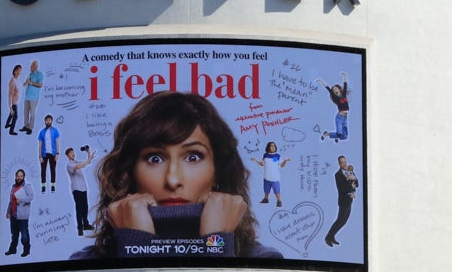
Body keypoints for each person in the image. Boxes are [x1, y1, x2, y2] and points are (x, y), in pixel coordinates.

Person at [72, 92, 281, 262]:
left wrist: (216, 243)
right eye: (155, 159)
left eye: (192, 157)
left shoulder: (262, 261)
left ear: (218, 170)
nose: (173, 180)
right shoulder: (84, 265)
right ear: (129, 171)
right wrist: (136, 244)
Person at [325, 154, 358, 247]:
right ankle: (328, 237)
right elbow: (341, 188)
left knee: (344, 221)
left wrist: (353, 181)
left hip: (350, 200)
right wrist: (350, 182)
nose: (344, 164)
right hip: (343, 200)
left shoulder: (350, 172)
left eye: (345, 162)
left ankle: (332, 236)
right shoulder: (338, 175)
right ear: (339, 163)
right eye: (342, 162)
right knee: (340, 220)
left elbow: (357, 183)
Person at [66, 147, 93, 234]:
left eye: (73, 152)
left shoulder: (77, 161)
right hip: (76, 189)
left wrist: (88, 151)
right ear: (67, 156)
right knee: (79, 208)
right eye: (70, 153)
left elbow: (88, 162)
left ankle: (86, 224)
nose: (73, 154)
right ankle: (80, 228)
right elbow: (78, 167)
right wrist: (86, 161)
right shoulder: (69, 165)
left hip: (83, 188)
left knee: (85, 207)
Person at [4, 169, 32, 257]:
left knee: (24, 236)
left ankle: (26, 250)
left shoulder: (27, 186)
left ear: (23, 177)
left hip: (22, 216)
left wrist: (21, 200)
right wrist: (8, 211)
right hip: (13, 215)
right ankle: (12, 250)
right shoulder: (13, 187)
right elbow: (11, 201)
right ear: (15, 177)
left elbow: (31, 197)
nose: (19, 178)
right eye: (17, 176)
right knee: (14, 235)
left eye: (21, 176)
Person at [256, 140, 290, 207]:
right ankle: (266, 199)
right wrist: (256, 160)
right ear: (268, 147)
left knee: (277, 190)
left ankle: (279, 201)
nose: (273, 147)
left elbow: (282, 165)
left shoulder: (278, 156)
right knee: (266, 189)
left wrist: (285, 161)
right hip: (266, 177)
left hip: (275, 178)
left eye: (274, 146)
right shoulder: (265, 155)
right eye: (271, 146)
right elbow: (262, 164)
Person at [318, 74, 350, 142]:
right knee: (340, 133)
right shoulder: (336, 98)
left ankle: (328, 134)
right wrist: (321, 81)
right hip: (339, 117)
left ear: (338, 89)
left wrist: (345, 76)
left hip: (345, 118)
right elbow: (327, 88)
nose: (335, 89)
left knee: (345, 137)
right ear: (334, 92)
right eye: (333, 89)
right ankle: (330, 135)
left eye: (336, 88)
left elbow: (345, 84)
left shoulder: (343, 94)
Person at [38, 115, 61, 191]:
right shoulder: (42, 132)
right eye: (47, 120)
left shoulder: (55, 130)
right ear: (45, 121)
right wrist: (40, 156)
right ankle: (43, 186)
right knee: (43, 170)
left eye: (49, 120)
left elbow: (57, 142)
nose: (48, 121)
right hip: (44, 154)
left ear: (51, 121)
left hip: (53, 154)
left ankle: (53, 186)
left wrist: (57, 153)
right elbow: (40, 145)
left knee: (53, 170)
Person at [20, 59, 43, 132]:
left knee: (32, 113)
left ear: (35, 66)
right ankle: (26, 126)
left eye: (31, 65)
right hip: (27, 97)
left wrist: (31, 83)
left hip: (34, 97)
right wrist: (26, 83)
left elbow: (40, 85)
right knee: (25, 112)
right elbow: (26, 83)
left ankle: (30, 128)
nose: (30, 67)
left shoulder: (40, 74)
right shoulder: (30, 74)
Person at [4, 65, 24, 133]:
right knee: (15, 116)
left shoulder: (17, 80)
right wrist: (10, 107)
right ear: (14, 71)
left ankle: (7, 125)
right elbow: (10, 94)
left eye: (20, 70)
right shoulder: (13, 80)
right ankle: (11, 131)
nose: (19, 72)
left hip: (16, 101)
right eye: (18, 70)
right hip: (14, 102)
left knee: (11, 114)